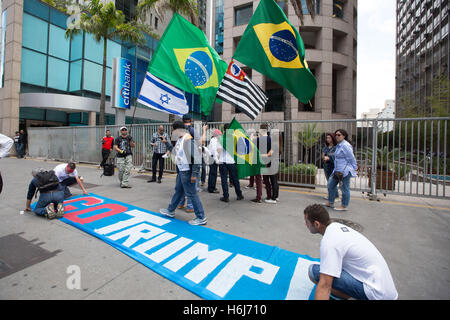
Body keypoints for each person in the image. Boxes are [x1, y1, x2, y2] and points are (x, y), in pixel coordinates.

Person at [303, 204, 398, 300]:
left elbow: (325, 285)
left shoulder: (330, 242)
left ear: (316, 224)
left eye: (306, 222)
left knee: (313, 271)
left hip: (376, 294)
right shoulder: (337, 226)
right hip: (385, 289)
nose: (305, 225)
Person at [160, 120, 207, 226]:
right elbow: (175, 152)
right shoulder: (181, 139)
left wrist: (194, 174)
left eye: (173, 130)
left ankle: (201, 217)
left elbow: (197, 158)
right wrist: (166, 143)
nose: (172, 133)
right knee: (178, 191)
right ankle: (170, 210)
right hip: (182, 171)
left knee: (192, 194)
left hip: (187, 172)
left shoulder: (188, 140)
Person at [323, 129, 358, 211]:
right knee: (330, 184)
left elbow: (351, 158)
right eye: (336, 135)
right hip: (337, 170)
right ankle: (330, 202)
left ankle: (344, 205)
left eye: (339, 135)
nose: (337, 136)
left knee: (344, 188)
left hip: (344, 171)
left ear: (344, 136)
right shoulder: (339, 145)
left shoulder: (345, 145)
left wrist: (354, 168)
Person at [251, 124, 279, 204]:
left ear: (261, 130)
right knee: (266, 180)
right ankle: (269, 195)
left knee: (258, 179)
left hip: (259, 161)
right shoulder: (270, 139)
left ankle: (258, 197)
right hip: (267, 162)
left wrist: (252, 137)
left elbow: (252, 145)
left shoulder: (258, 139)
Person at [216, 124, 243, 202]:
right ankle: (239, 195)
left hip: (222, 161)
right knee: (235, 178)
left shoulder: (221, 138)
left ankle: (226, 196)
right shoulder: (234, 138)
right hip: (231, 161)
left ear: (224, 130)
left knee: (224, 179)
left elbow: (218, 151)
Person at [322, 133, 339, 200]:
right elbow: (323, 155)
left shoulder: (336, 147)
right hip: (326, 165)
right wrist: (324, 157)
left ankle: (335, 196)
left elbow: (336, 156)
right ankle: (332, 195)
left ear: (333, 138)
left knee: (332, 181)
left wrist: (329, 157)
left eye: (329, 138)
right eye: (327, 138)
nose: (328, 139)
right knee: (329, 181)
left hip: (333, 166)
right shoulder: (326, 147)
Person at [204, 128, 221, 194]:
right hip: (213, 158)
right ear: (217, 135)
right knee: (213, 174)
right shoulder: (214, 140)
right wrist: (216, 159)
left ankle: (211, 186)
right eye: (219, 135)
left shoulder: (215, 140)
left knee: (213, 173)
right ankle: (211, 188)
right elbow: (214, 150)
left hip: (213, 157)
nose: (220, 136)